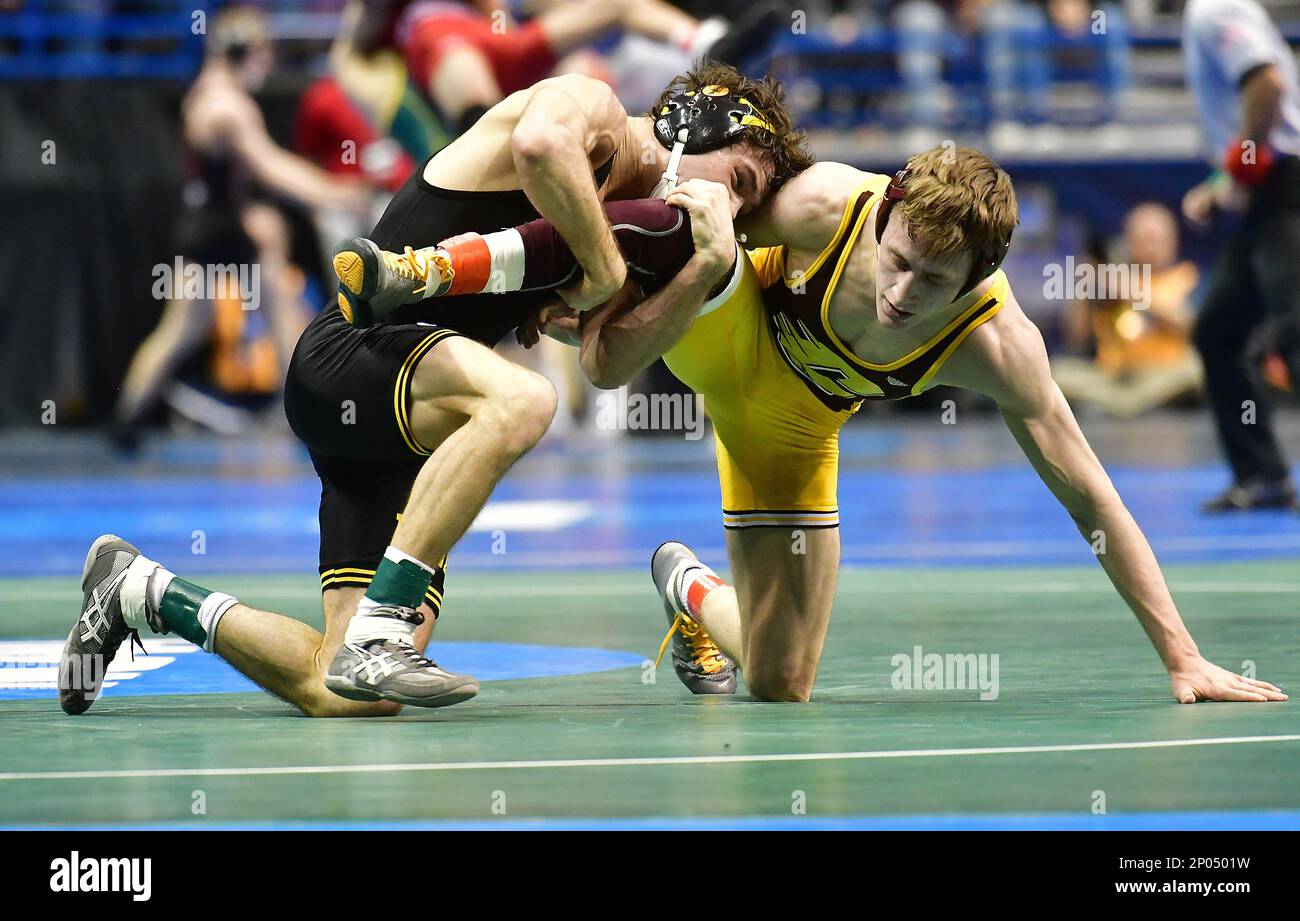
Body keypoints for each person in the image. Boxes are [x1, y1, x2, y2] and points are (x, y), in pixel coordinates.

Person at [363, 145, 1288, 705]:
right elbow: (661, 209)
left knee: (779, 683)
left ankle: (685, 587)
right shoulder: (829, 204)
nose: (898, 293)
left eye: (931, 284)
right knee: (697, 229)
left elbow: (1093, 495)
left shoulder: (1001, 349)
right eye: (894, 262)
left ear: (978, 277)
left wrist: (1184, 653)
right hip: (723, 330)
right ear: (881, 217)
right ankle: (438, 267)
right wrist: (585, 284)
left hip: (795, 429)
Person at [59, 63, 811, 717]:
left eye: (747, 210)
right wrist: (605, 272)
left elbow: (606, 362)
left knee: (346, 689)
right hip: (351, 352)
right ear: (700, 117)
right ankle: (384, 624)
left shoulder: (641, 231)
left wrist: (706, 267)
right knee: (524, 401)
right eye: (738, 183)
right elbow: (540, 148)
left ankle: (141, 591)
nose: (733, 209)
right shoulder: (593, 111)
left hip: (408, 424)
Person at [111, 6, 368, 450]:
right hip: (214, 232)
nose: (265, 70)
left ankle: (128, 421)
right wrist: (335, 193)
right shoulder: (227, 106)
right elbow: (270, 168)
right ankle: (126, 420)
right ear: (242, 54)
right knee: (196, 328)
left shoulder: (209, 92)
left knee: (271, 313)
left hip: (217, 227)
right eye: (262, 58)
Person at [1181, 0, 1300, 511]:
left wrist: (1240, 173)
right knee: (1219, 331)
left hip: (1285, 191)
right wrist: (1224, 179)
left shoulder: (1215, 7)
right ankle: (1264, 476)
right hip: (1268, 191)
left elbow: (1267, 87)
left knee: (1295, 337)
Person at [1052, 202, 1202, 417]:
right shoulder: (1108, 284)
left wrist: (1125, 288)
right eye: (1139, 240)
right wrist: (1083, 288)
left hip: (1165, 374)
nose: (1147, 247)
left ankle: (1123, 406)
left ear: (1173, 242)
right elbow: (1075, 339)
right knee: (1056, 372)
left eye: (1153, 239)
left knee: (1195, 370)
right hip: (1115, 378)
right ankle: (1126, 405)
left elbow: (1188, 323)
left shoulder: (1186, 278)